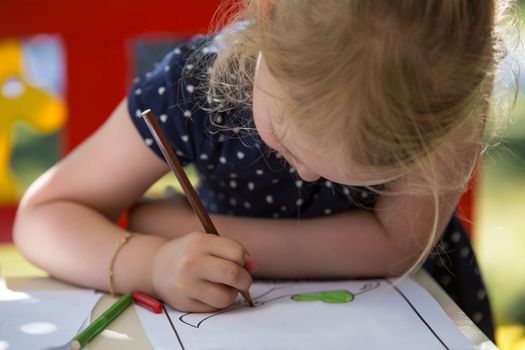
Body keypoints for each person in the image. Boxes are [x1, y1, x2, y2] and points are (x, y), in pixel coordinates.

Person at [14, 0, 510, 340]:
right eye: (294, 144)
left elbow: (397, 245)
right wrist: (151, 264)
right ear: (267, 26)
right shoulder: (194, 87)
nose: (312, 176)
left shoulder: (445, 90)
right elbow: (46, 214)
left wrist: (171, 226)